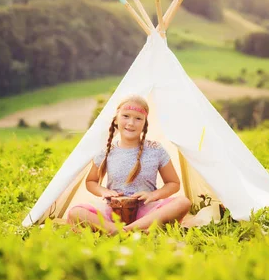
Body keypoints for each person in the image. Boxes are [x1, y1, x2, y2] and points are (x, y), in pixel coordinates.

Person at [67, 95, 192, 233]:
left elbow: (173, 183)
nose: (131, 123)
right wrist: (104, 191)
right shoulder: (107, 151)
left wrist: (153, 195)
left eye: (138, 118)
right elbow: (91, 181)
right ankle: (121, 230)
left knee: (183, 203)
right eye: (126, 116)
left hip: (147, 213)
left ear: (145, 123)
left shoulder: (155, 149)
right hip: (112, 212)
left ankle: (125, 231)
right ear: (116, 119)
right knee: (76, 212)